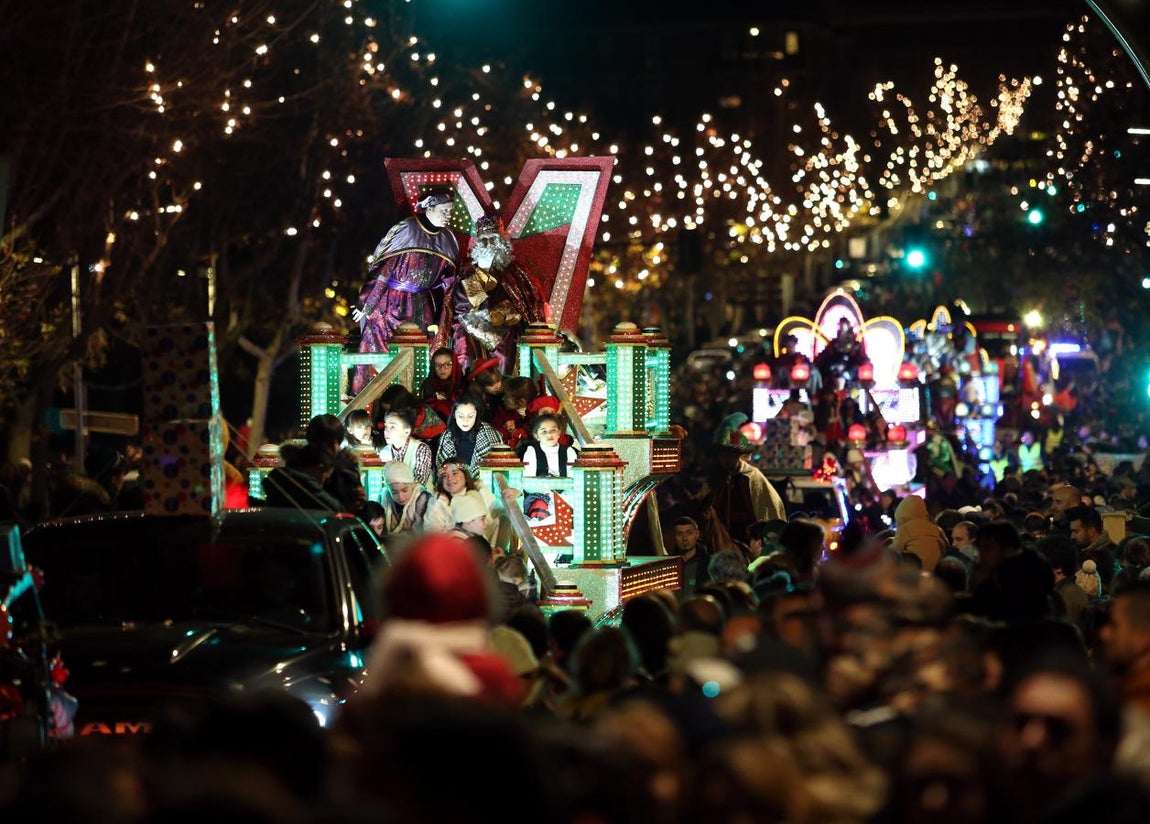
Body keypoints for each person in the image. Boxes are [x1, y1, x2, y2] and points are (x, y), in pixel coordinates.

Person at [351, 188, 460, 394]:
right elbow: (383, 270)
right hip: (390, 303)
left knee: (420, 353)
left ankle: (418, 396)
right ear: (430, 207)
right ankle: (373, 398)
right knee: (379, 351)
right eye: (444, 210)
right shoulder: (407, 229)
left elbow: (449, 280)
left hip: (422, 303)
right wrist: (365, 302)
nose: (448, 216)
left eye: (450, 211)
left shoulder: (448, 238)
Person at [451, 213, 547, 374]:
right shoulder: (468, 270)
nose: (489, 245)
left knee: (506, 345)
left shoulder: (516, 272)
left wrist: (505, 315)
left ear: (502, 241)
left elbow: (527, 307)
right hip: (470, 324)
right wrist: (482, 270)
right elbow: (461, 305)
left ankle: (502, 388)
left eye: (493, 239)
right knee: (465, 346)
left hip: (505, 326)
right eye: (484, 240)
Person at [378, 461, 452, 542]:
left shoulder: (424, 500)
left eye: (404, 490)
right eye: (394, 492)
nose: (400, 496)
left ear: (413, 485)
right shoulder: (383, 498)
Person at [435, 394, 504, 478]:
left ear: (476, 415)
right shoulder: (446, 437)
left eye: (470, 416)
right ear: (454, 415)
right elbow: (442, 470)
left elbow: (499, 469)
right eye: (461, 416)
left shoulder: (491, 436)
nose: (465, 420)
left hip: (483, 487)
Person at [262, 441, 344, 512]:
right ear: (320, 468)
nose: (324, 481)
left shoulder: (279, 480)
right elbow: (337, 509)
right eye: (326, 476)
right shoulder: (305, 487)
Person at [1067, 504, 1119, 594]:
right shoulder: (1081, 551)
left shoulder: (1111, 555)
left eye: (1075, 531)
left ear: (1091, 532)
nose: (1072, 536)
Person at [377, 408, 434, 490]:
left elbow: (420, 481)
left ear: (406, 432)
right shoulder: (384, 452)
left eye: (392, 426)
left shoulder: (420, 449)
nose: (386, 430)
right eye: (386, 426)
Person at [520, 413, 579, 479]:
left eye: (553, 430)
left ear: (559, 432)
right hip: (539, 489)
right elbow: (528, 479)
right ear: (536, 435)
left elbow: (574, 479)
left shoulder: (569, 451)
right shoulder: (531, 451)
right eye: (544, 431)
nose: (549, 434)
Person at [418, 347, 466, 424]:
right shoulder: (428, 384)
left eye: (447, 364)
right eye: (438, 365)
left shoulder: (464, 385)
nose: (442, 368)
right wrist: (434, 396)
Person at [671, 516, 713, 595]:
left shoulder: (709, 564)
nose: (684, 538)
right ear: (674, 536)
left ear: (697, 534)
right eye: (680, 534)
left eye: (689, 533)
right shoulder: (668, 565)